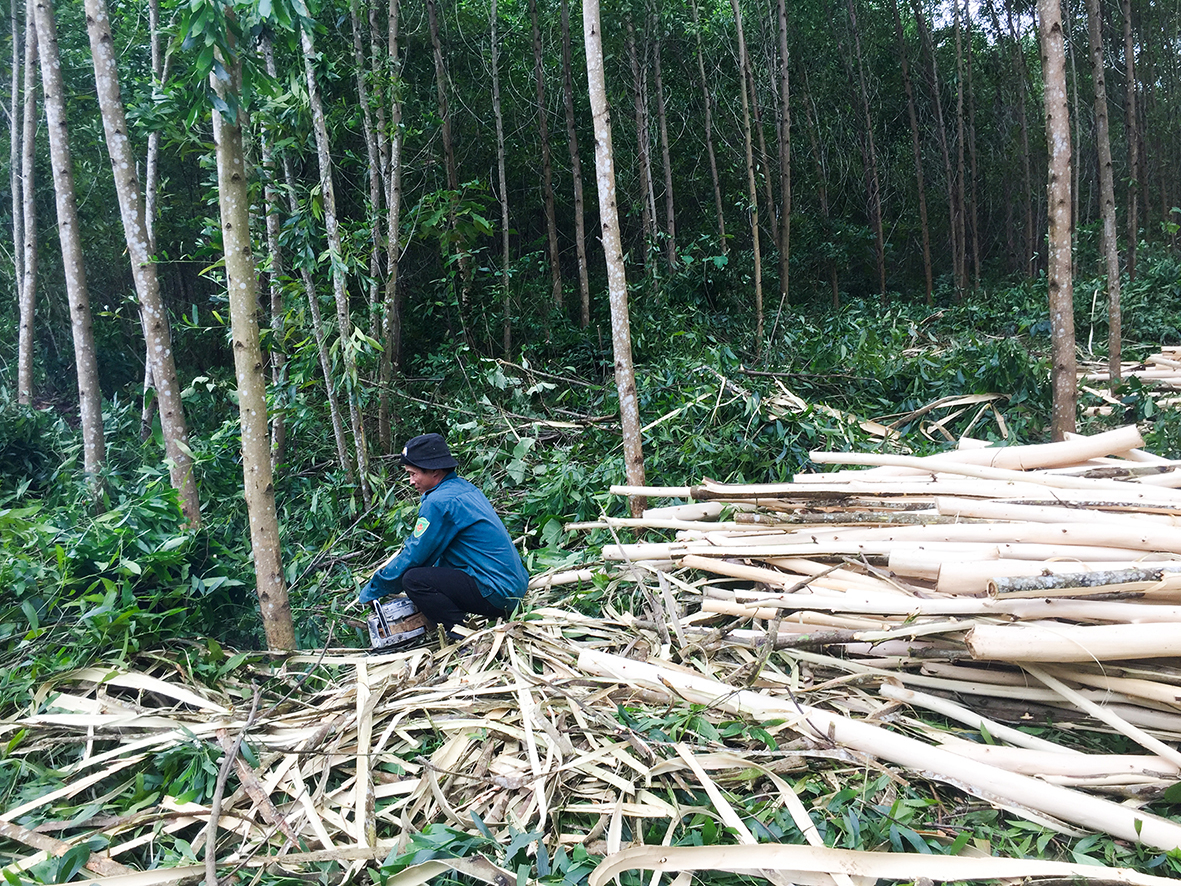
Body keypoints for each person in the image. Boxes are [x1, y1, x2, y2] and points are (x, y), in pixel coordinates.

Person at [359, 433, 529, 639]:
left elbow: (415, 555)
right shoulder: (464, 488)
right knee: (432, 570)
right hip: (514, 586)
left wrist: (375, 588)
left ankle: (461, 633)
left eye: (413, 474)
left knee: (413, 580)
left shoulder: (439, 502)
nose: (411, 481)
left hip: (497, 592)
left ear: (434, 472)